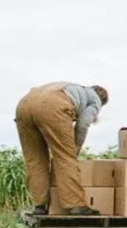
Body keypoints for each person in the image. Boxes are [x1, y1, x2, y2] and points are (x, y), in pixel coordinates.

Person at [15, 82, 109, 215]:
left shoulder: (75, 88)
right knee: (65, 158)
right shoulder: (95, 100)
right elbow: (82, 125)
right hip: (52, 105)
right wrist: (75, 149)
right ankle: (76, 205)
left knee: (35, 160)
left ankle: (39, 206)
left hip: (24, 105)